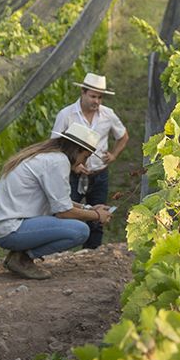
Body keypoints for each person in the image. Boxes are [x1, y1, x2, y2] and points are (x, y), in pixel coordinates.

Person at [0, 123, 113, 280]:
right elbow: (63, 212)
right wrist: (97, 216)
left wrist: (89, 208)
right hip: (9, 229)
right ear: (77, 150)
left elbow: (61, 201)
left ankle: (19, 257)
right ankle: (22, 259)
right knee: (79, 230)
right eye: (85, 157)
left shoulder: (49, 157)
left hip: (4, 226)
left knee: (78, 225)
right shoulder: (57, 162)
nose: (83, 163)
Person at [51, 72, 129, 248]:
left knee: (98, 216)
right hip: (73, 175)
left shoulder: (108, 115)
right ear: (83, 93)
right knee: (65, 213)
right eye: (93, 96)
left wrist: (114, 155)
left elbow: (123, 136)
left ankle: (91, 255)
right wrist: (73, 166)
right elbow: (54, 144)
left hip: (99, 174)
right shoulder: (66, 115)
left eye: (100, 97)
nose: (97, 101)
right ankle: (62, 255)